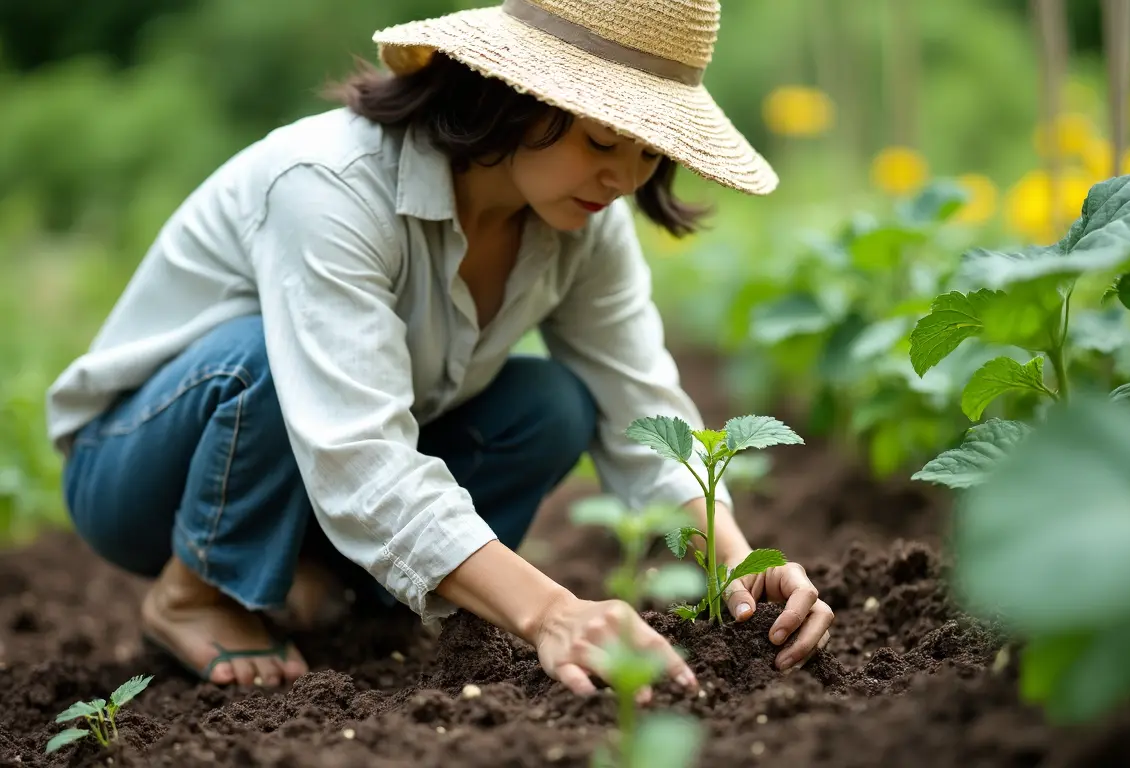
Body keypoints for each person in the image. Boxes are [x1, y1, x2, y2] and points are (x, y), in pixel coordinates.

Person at [45, 0, 834, 694]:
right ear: (522, 94)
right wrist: (551, 612)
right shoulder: (328, 185)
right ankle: (195, 590)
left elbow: (642, 402)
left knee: (551, 406)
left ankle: (331, 592)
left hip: (309, 479)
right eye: (603, 139)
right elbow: (359, 452)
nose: (625, 177)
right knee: (260, 360)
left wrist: (738, 563)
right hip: (145, 473)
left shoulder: (586, 223)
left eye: (650, 152)